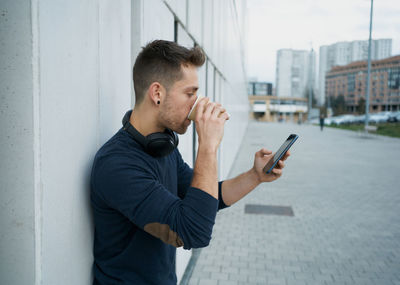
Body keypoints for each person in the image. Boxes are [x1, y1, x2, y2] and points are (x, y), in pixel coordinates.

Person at [90, 40, 290, 285]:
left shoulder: (162, 147)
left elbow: (203, 200)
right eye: (190, 93)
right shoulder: (117, 165)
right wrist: (208, 146)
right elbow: (193, 231)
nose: (196, 104)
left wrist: (255, 176)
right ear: (157, 93)